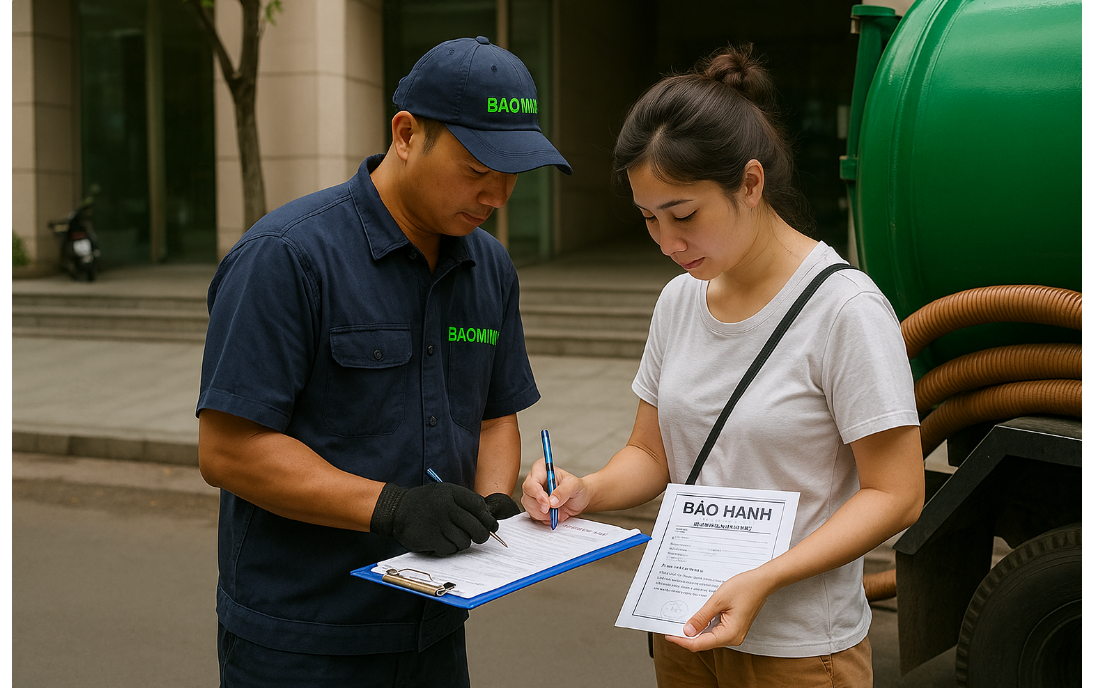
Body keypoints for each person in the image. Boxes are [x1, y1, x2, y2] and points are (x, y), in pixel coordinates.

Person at [521, 44, 923, 687]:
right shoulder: (679, 301)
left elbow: (897, 493)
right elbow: (652, 454)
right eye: (649, 219)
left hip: (798, 649)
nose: (668, 243)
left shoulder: (845, 309)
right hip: (685, 627)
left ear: (752, 183)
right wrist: (588, 489)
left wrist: (765, 577)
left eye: (683, 215)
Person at [196, 36, 571, 687]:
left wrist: (489, 499)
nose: (497, 195)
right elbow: (230, 449)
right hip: (303, 640)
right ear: (405, 133)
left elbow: (494, 417)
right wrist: (393, 508)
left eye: (514, 174)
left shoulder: (490, 268)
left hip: (434, 628)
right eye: (478, 168)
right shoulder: (286, 258)